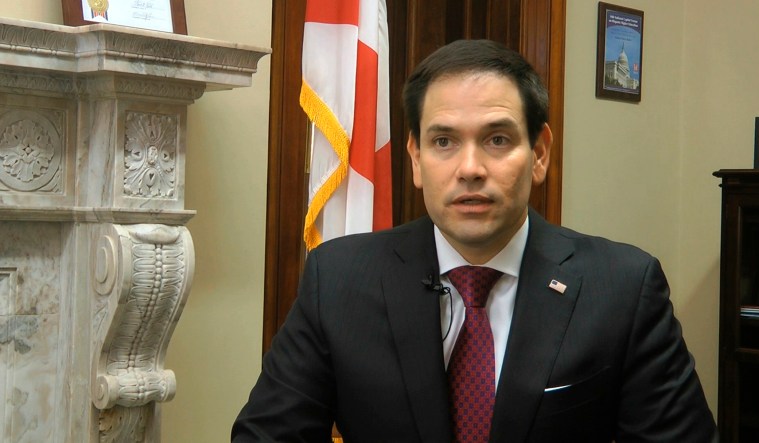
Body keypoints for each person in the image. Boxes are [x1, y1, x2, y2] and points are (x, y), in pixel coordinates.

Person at [232, 39, 717, 442]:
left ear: (540, 153)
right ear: (416, 159)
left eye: (497, 140)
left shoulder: (624, 288)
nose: (470, 169)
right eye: (443, 141)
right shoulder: (336, 279)